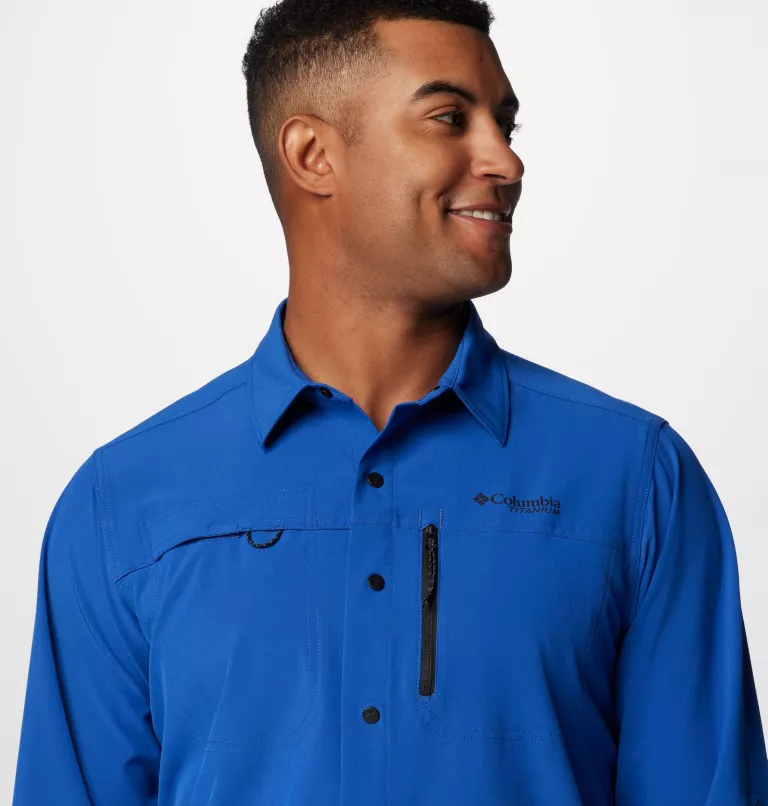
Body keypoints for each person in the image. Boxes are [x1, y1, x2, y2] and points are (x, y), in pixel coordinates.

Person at [12, 0, 768, 803]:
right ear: (313, 155)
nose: (506, 160)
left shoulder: (636, 479)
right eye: (450, 118)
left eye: (506, 124)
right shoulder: (122, 505)